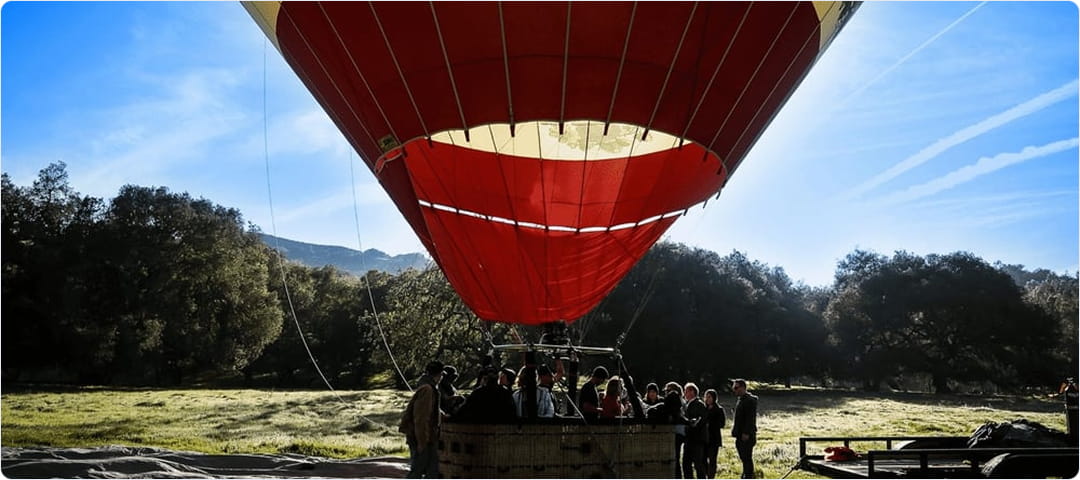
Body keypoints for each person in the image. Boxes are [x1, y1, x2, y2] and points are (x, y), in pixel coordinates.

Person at [398, 360, 445, 478]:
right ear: (440, 374)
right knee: (418, 470)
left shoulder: (429, 387)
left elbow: (432, 410)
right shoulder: (427, 390)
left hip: (428, 436)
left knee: (432, 470)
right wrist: (422, 442)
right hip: (422, 436)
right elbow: (421, 418)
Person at [452, 367, 516, 424]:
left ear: (484, 379)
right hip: (502, 427)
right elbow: (512, 412)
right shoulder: (506, 393)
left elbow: (462, 411)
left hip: (479, 428)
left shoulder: (477, 393)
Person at [731, 379, 758, 479]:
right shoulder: (742, 399)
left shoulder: (749, 400)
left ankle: (748, 475)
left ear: (743, 387)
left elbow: (750, 418)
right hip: (740, 434)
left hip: (746, 435)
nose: (734, 390)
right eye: (733, 388)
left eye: (736, 388)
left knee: (746, 457)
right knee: (744, 457)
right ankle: (746, 474)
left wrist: (746, 432)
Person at [682, 382, 707, 478]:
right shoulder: (688, 404)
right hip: (689, 439)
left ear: (692, 392)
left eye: (686, 391)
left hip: (696, 439)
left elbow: (701, 421)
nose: (684, 394)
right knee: (686, 464)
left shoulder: (698, 404)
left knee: (698, 464)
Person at [704, 388, 727, 479]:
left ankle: (711, 477)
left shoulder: (719, 409)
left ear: (714, 398)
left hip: (714, 438)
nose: (707, 399)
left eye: (709, 397)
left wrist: (711, 424)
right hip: (704, 437)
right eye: (706, 397)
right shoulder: (703, 409)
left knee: (712, 459)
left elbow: (722, 423)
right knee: (703, 459)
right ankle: (706, 474)